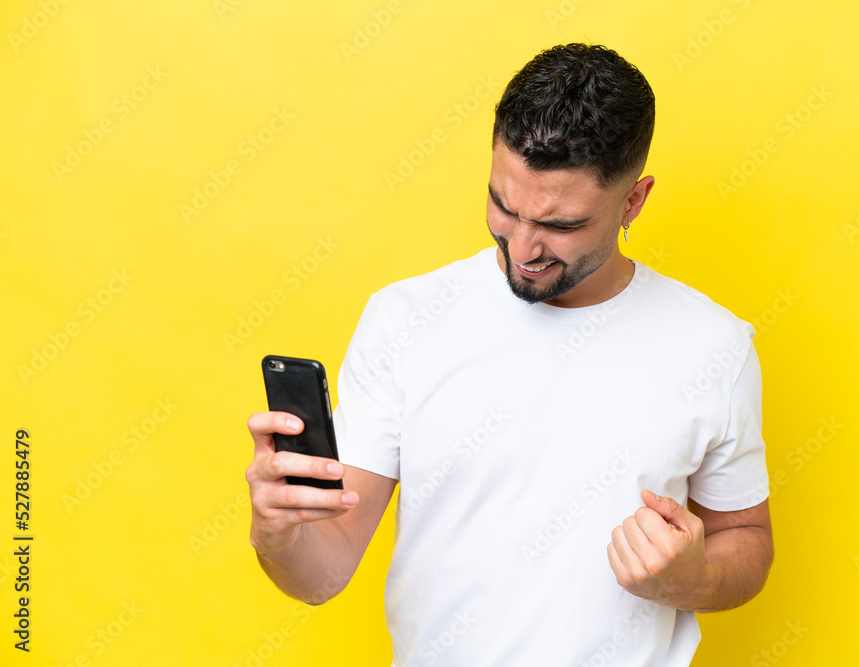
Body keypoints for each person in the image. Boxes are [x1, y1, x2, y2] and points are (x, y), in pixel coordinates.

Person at [246, 43, 773, 665]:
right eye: (503, 203)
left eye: (562, 224)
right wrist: (277, 531)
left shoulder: (714, 346)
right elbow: (321, 575)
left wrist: (697, 581)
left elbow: (745, 534)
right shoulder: (405, 319)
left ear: (633, 201)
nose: (521, 247)